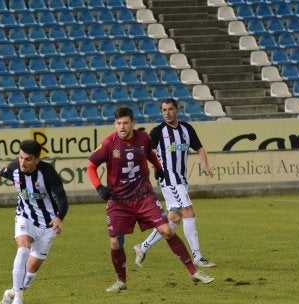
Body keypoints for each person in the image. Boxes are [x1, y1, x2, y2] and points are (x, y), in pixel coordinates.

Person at [86, 106, 214, 292]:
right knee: (115, 243)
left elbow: (149, 153)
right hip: (119, 201)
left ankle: (194, 271)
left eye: (125, 123)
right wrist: (99, 187)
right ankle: (121, 281)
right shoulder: (108, 143)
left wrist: (158, 166)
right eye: (118, 123)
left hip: (144, 196)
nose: (122, 127)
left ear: (133, 123)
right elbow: (90, 166)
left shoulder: (143, 138)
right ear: (115, 124)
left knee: (167, 231)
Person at [0, 139, 69, 304]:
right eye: (20, 157)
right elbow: (5, 171)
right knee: (23, 249)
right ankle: (18, 300)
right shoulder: (14, 168)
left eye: (28, 159)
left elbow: (62, 198)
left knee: (31, 270)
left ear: (37, 160)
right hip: (25, 216)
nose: (22, 162)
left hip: (47, 224)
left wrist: (59, 218)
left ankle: (10, 293)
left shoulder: (48, 173)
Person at [133, 98, 215, 268]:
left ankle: (142, 247)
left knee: (174, 218)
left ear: (177, 110)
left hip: (181, 179)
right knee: (188, 211)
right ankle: (197, 257)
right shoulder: (157, 132)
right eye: (164, 110)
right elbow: (143, 151)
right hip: (169, 178)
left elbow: (200, 148)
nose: (167, 113)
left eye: (170, 109)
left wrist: (205, 164)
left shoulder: (186, 129)